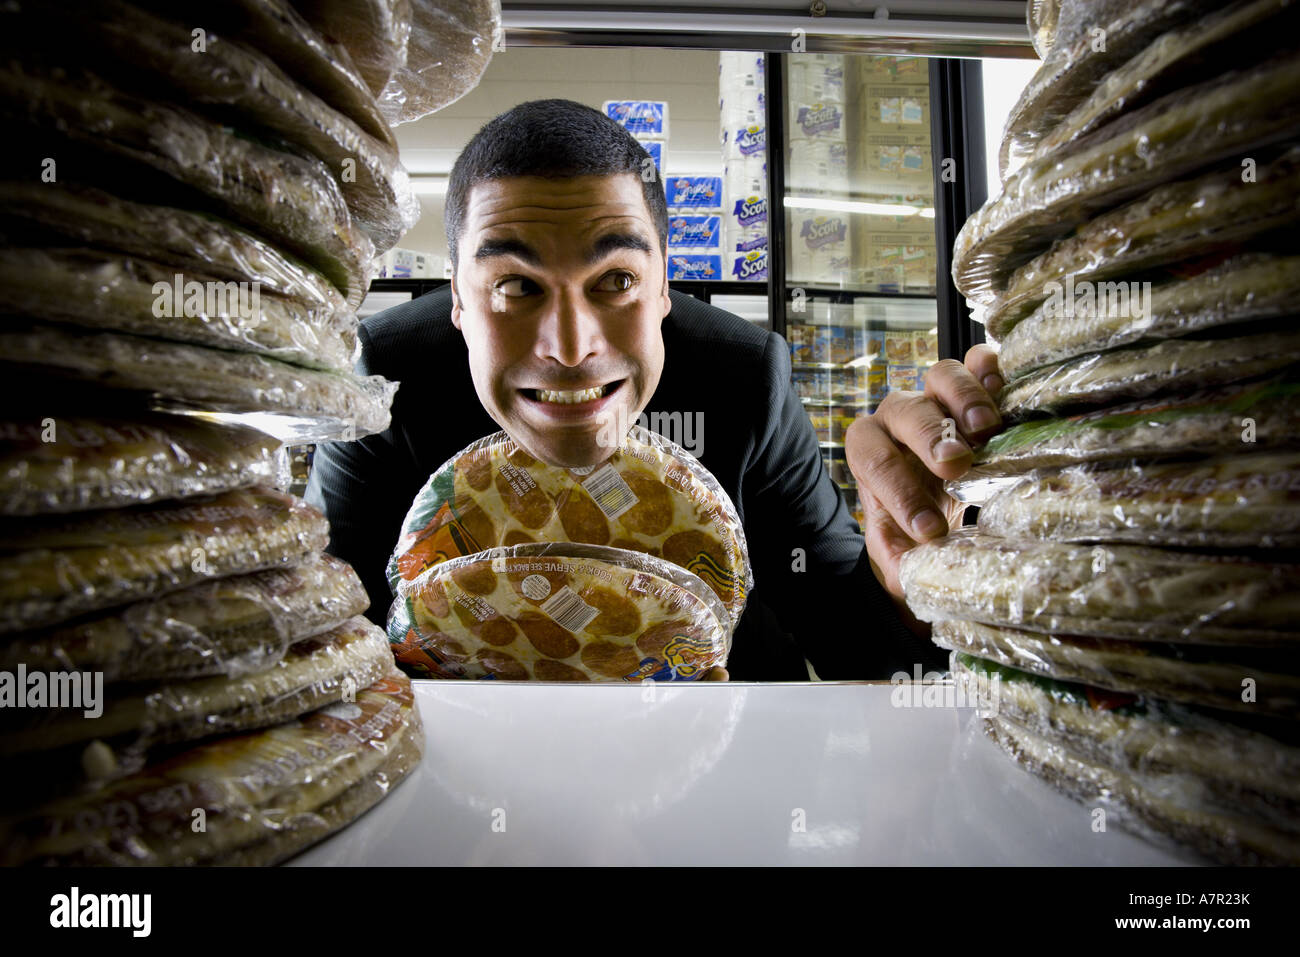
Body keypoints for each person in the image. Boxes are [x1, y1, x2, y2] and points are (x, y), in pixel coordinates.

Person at [306, 98, 1004, 682]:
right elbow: (320, 638)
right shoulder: (384, 379)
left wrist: (917, 574)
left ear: (664, 284)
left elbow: (849, 635)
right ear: (456, 299)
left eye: (615, 281)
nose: (573, 348)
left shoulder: (741, 377)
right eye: (516, 286)